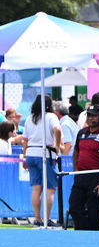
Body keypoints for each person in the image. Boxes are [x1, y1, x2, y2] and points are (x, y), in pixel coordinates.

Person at [21, 94, 63, 226]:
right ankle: (46, 218)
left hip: (31, 153)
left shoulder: (30, 118)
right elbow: (57, 129)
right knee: (50, 188)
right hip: (44, 153)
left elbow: (25, 140)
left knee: (36, 188)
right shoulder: (51, 116)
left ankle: (37, 218)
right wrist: (57, 146)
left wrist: (24, 156)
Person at [69, 105, 99, 230]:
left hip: (96, 176)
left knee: (94, 213)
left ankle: (93, 237)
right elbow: (76, 151)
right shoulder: (82, 133)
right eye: (89, 115)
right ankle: (83, 232)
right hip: (81, 175)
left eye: (94, 115)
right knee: (74, 207)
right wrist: (75, 170)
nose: (91, 118)